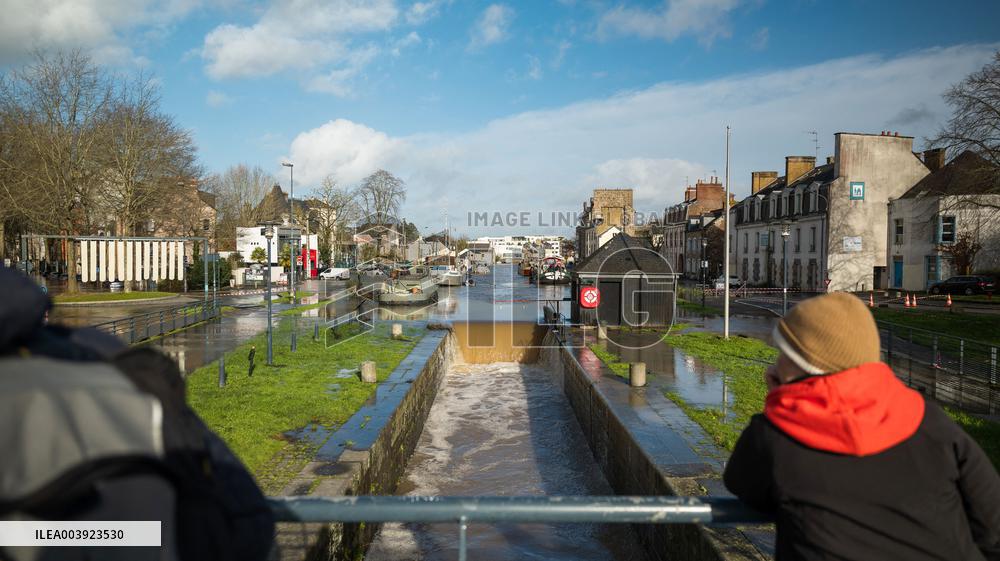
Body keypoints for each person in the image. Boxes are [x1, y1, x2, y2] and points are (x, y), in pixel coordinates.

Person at [724, 292, 1000, 560]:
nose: (775, 362)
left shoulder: (773, 435)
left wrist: (780, 402)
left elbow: (742, 484)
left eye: (782, 352)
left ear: (802, 363)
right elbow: (992, 521)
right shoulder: (929, 420)